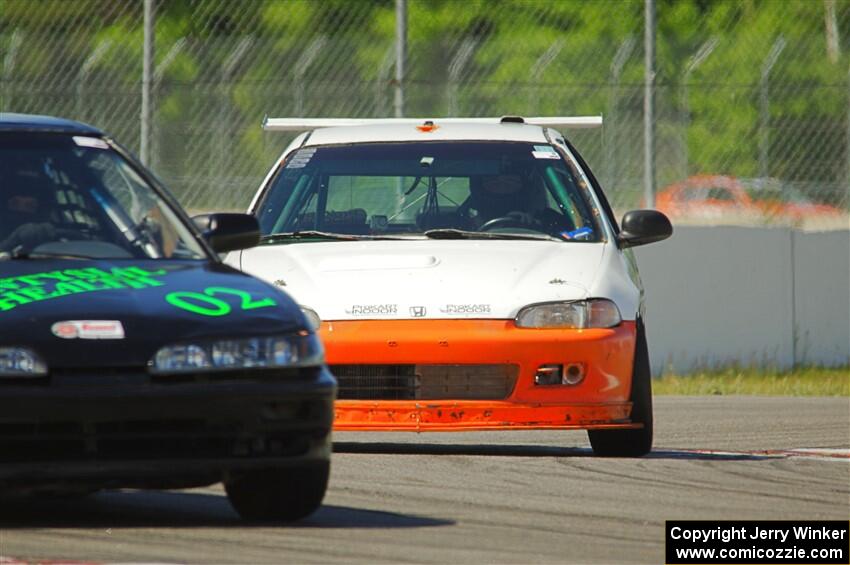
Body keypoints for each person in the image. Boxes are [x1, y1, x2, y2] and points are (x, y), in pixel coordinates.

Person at [0, 169, 58, 253]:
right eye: (14, 204)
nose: (21, 210)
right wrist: (10, 243)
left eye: (29, 206)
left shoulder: (57, 240)